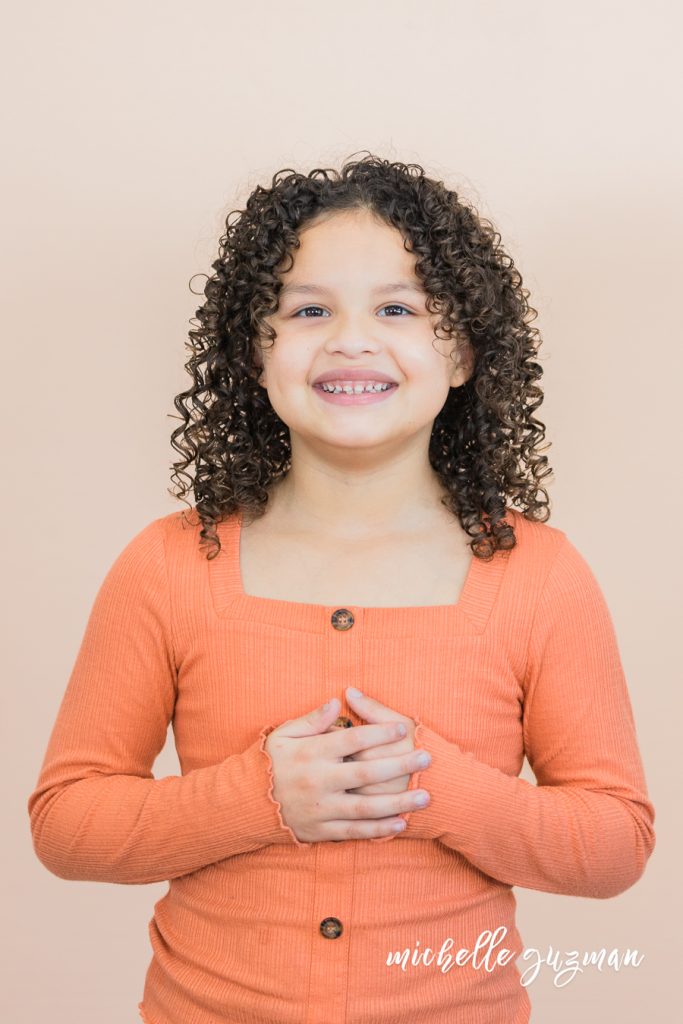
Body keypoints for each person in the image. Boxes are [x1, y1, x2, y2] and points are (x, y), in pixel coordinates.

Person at [27, 152, 656, 1024]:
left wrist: (432, 786)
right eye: (308, 310)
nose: (351, 339)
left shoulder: (539, 575)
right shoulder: (169, 563)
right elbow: (67, 824)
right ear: (256, 352)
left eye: (397, 309)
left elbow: (614, 845)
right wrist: (260, 798)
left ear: (462, 352)